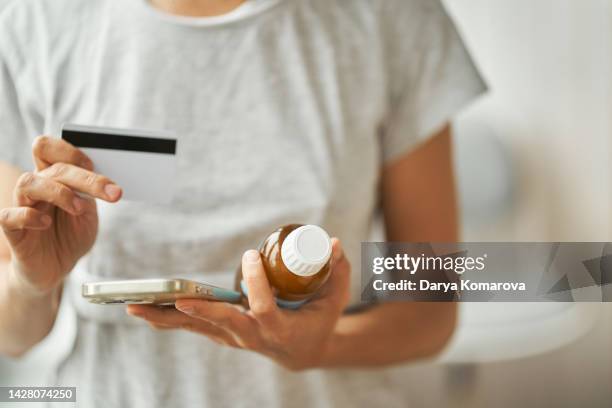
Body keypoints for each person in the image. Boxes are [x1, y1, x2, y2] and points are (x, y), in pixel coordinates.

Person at [0, 0, 486, 406]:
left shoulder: (391, 18)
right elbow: (12, 336)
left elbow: (431, 314)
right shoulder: (34, 20)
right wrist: (31, 281)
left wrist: (319, 348)